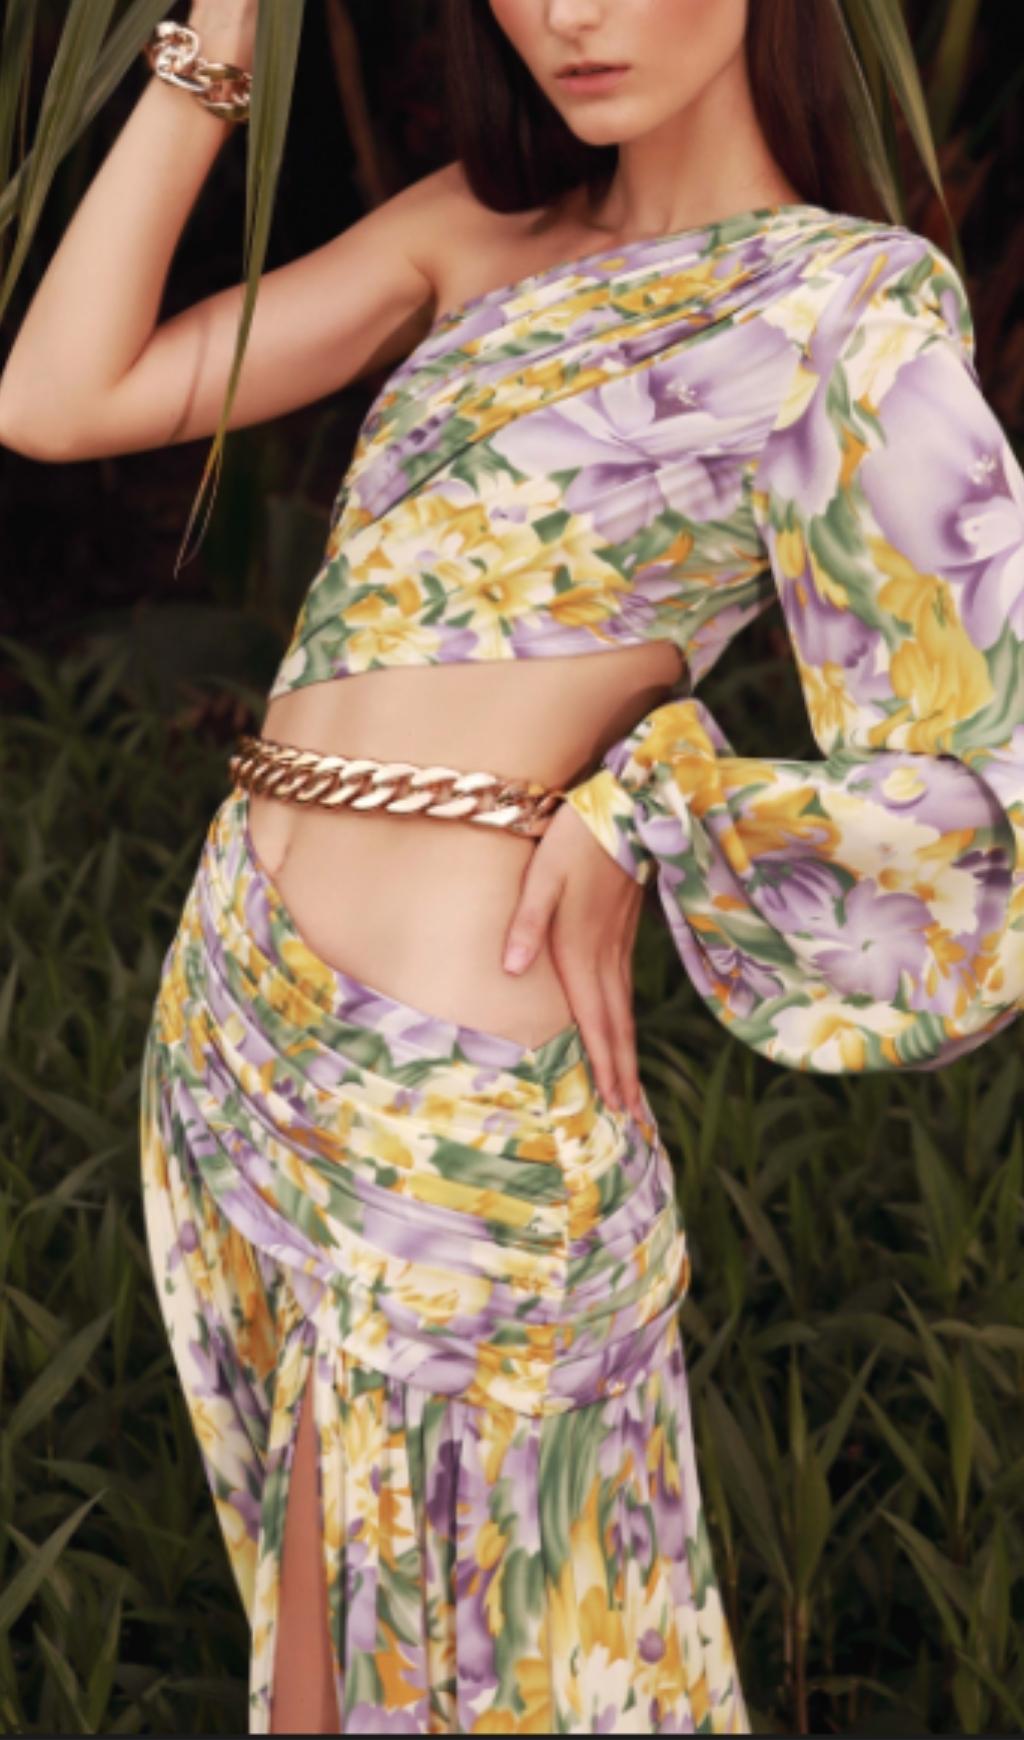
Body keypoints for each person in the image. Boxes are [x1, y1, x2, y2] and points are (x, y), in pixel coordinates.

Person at [2, 0, 1022, 1732]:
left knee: (409, 1679)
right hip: (238, 1031)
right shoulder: (470, 231)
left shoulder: (841, 309)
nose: (568, 12)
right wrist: (220, 38)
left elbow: (985, 783)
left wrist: (650, 805)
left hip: (457, 1102)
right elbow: (57, 396)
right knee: (324, 1673)